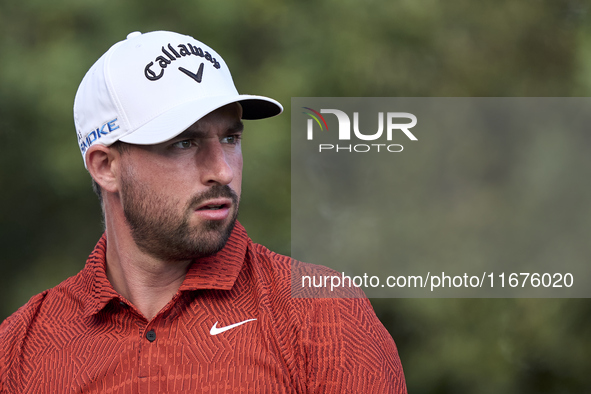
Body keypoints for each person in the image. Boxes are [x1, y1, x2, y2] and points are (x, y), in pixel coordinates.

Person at [0, 30, 406, 393]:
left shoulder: (323, 316)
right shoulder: (20, 350)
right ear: (106, 166)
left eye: (230, 138)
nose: (222, 170)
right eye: (184, 143)